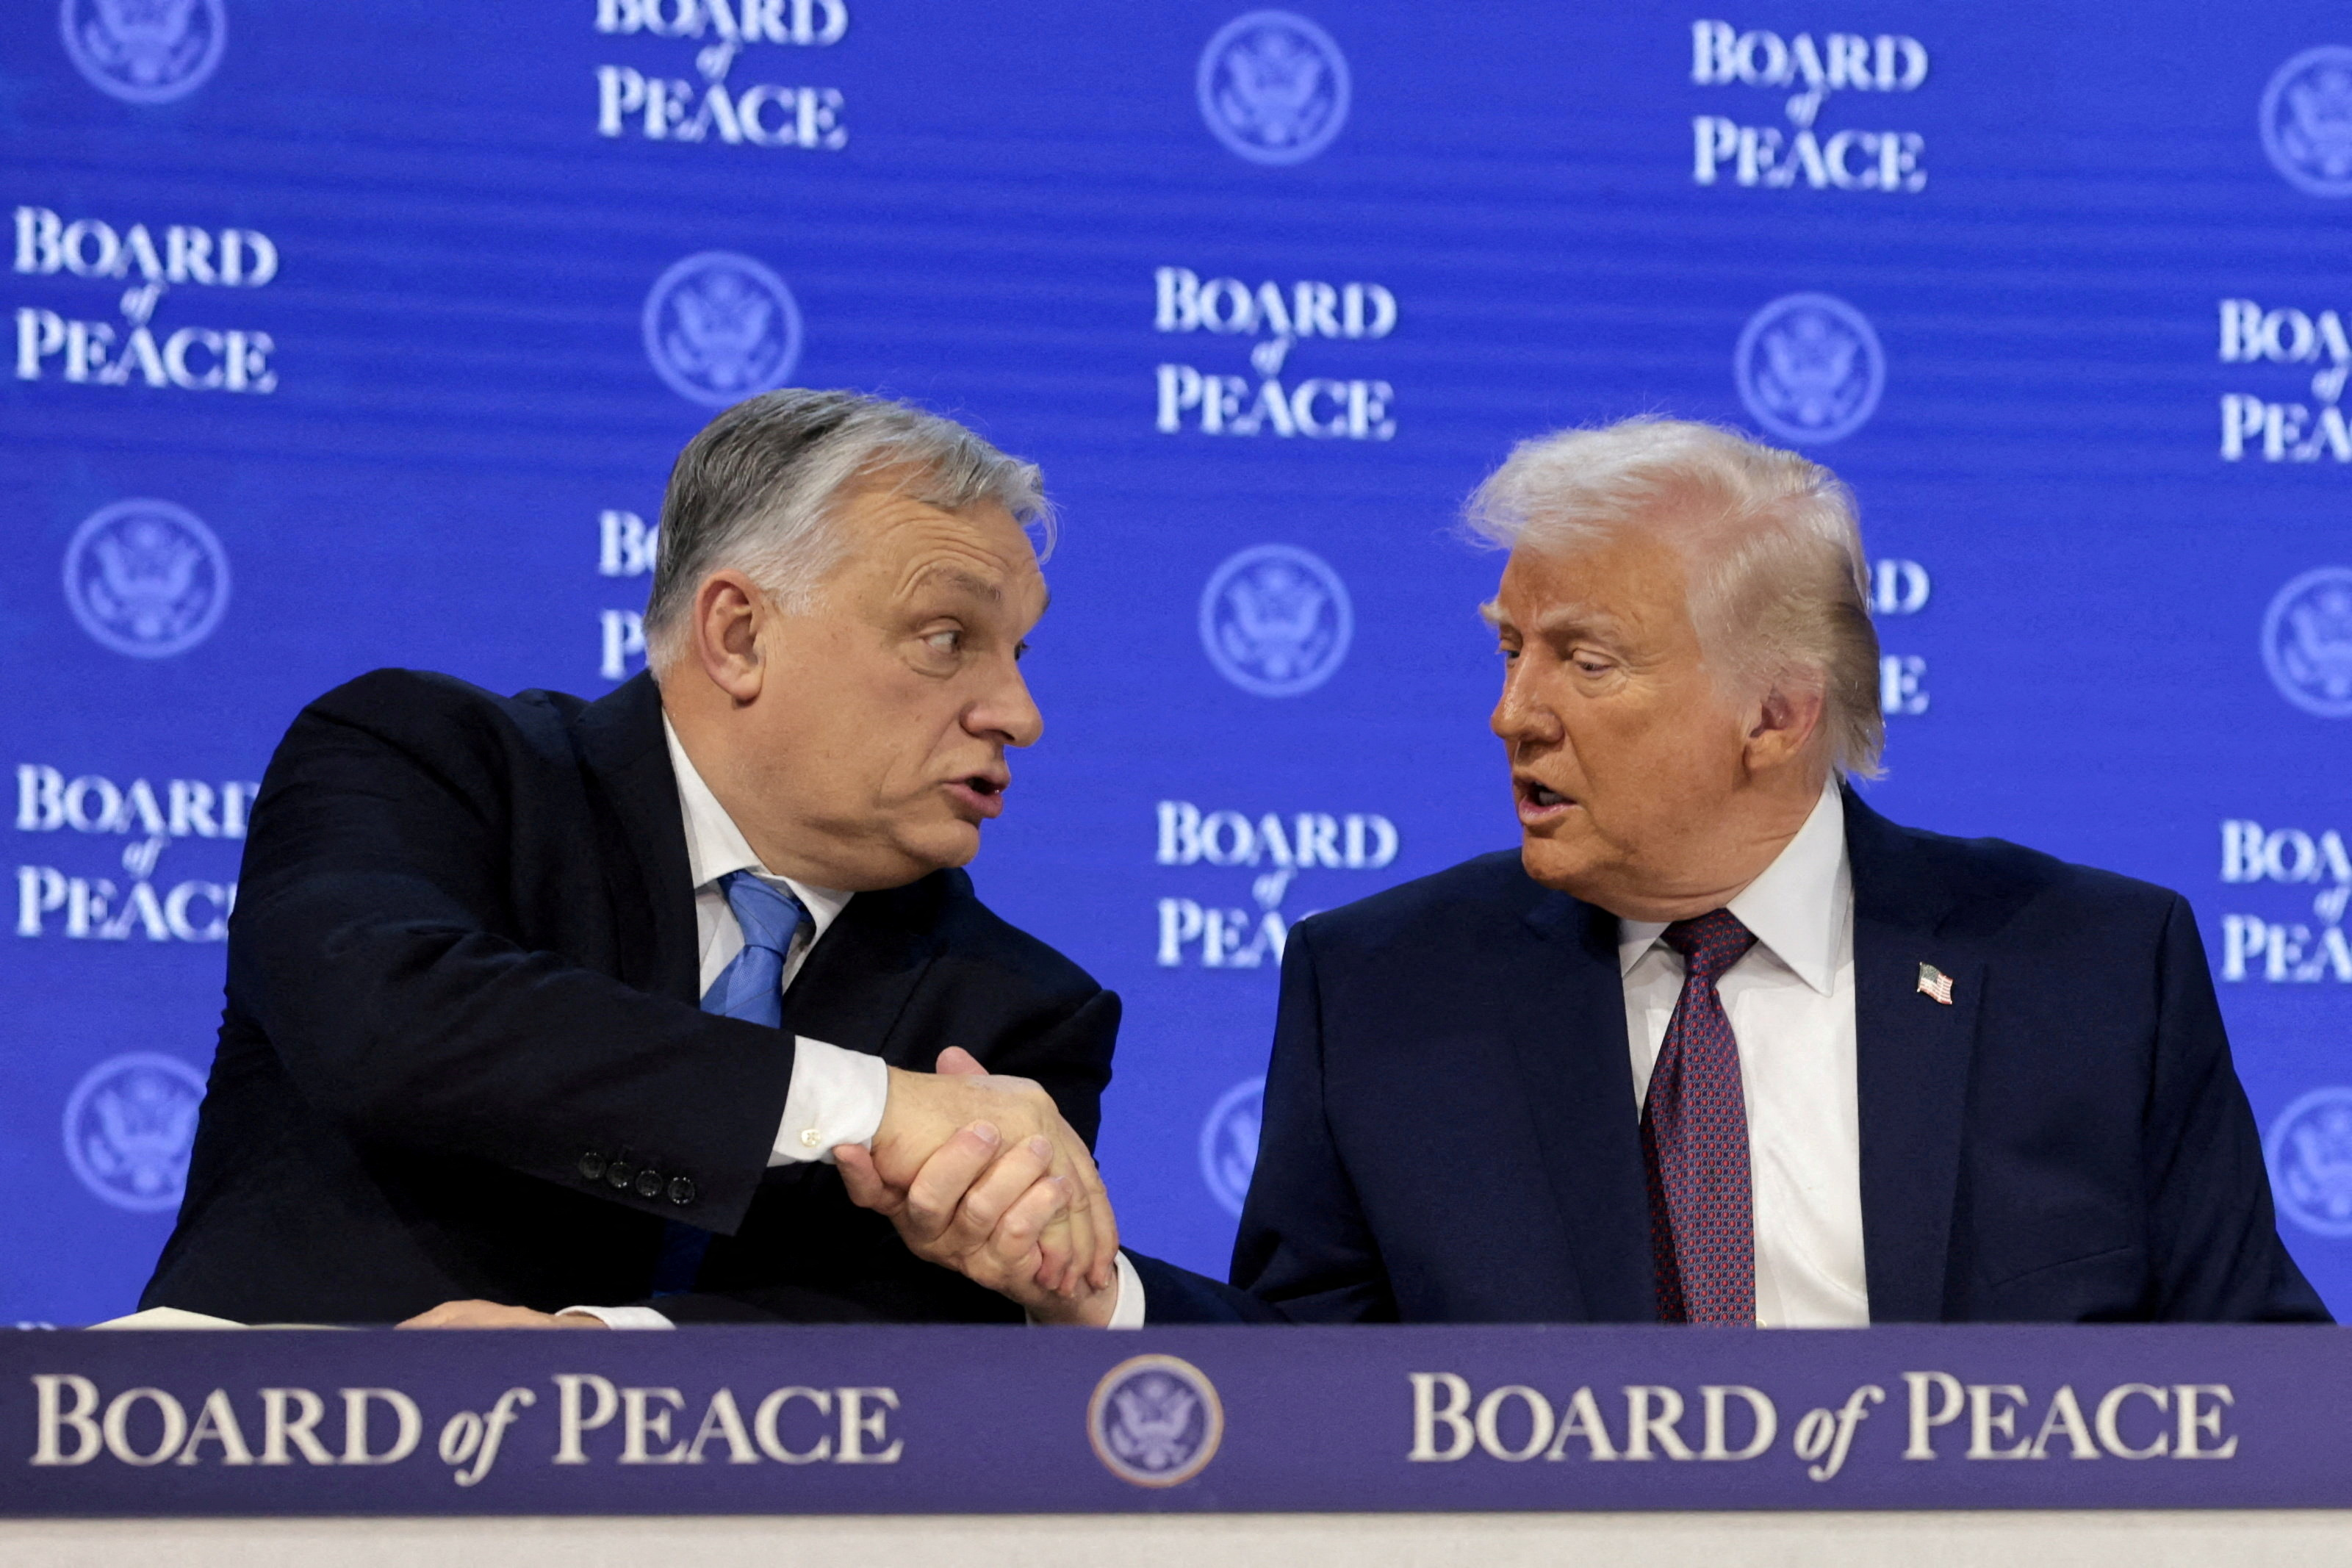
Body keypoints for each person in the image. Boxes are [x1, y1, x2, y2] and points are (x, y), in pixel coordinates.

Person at [871, 416, 2328, 1328]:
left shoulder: (2083, 965)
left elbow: (2256, 1384)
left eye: (1584, 655)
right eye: (1507, 646)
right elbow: (1299, 1391)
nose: (1514, 708)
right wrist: (1090, 1284)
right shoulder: (1381, 984)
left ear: (1775, 711)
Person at [140, 388, 1128, 1327]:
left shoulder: (1013, 1017)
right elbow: (387, 1016)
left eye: (1018, 652)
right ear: (738, 635)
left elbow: (920, 1328)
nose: (1018, 715)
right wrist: (867, 1102)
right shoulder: (427, 760)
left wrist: (604, 1359)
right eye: (947, 636)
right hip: (264, 1463)